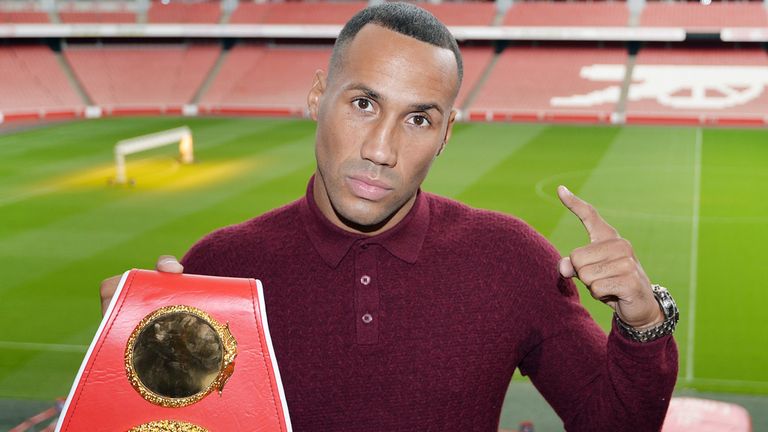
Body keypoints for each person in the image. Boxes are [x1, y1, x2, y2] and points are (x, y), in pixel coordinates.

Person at [100, 3, 678, 431]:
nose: (381, 148)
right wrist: (130, 369)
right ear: (317, 97)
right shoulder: (219, 270)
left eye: (419, 120)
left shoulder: (512, 260)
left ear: (446, 135)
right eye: (363, 104)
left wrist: (643, 321)